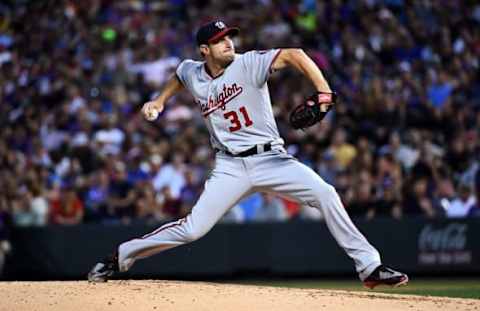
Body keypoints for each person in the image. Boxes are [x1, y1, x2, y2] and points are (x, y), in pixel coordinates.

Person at [88, 20, 408, 289]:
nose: (227, 43)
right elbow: (180, 76)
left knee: (326, 193)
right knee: (192, 229)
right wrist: (159, 101)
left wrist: (324, 91)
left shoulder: (248, 63)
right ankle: (120, 257)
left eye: (228, 36)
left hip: (271, 159)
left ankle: (369, 267)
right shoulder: (192, 71)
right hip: (230, 166)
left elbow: (295, 55)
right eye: (218, 41)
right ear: (205, 51)